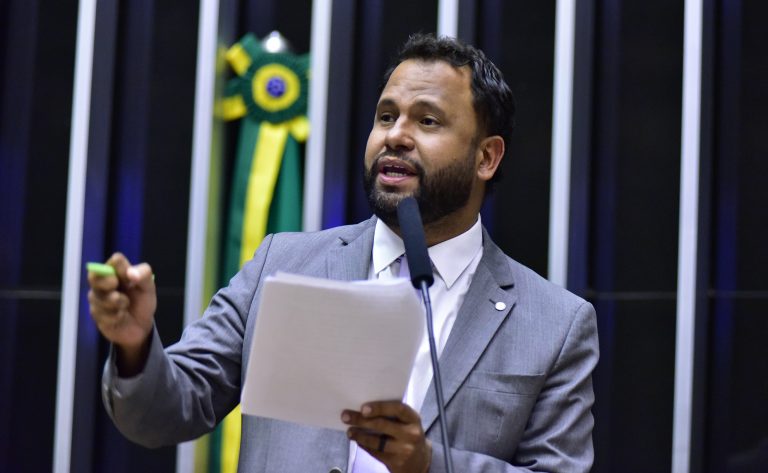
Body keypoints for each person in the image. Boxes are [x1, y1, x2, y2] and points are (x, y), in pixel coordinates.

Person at [89, 33, 599, 472]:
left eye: (427, 121)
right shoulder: (283, 264)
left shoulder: (555, 324)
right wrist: (135, 346)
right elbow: (162, 414)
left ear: (486, 156)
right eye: (386, 116)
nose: (395, 136)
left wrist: (429, 464)